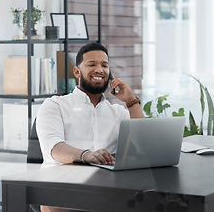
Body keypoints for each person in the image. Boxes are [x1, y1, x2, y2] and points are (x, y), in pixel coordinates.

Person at [36, 42, 144, 211]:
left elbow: (142, 143)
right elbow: (54, 148)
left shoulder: (118, 112)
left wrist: (131, 101)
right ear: (77, 72)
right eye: (92, 64)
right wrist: (87, 155)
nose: (99, 70)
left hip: (107, 189)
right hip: (61, 187)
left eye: (105, 65)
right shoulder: (54, 105)